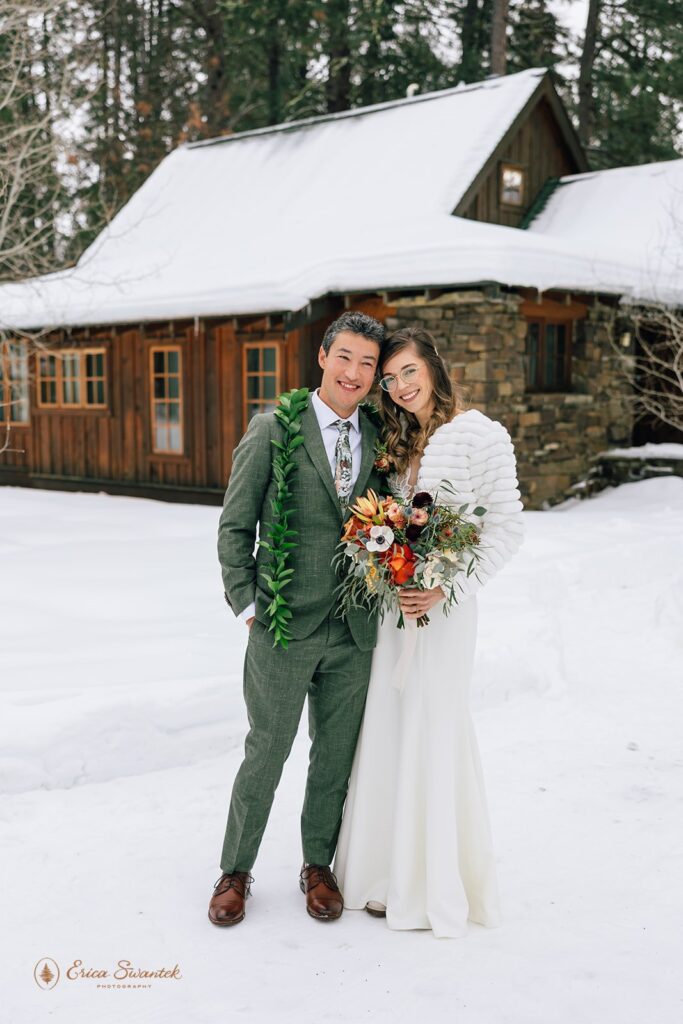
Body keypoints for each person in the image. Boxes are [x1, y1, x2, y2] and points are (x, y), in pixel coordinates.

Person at [334, 325, 524, 939]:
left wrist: (448, 586)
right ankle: (387, 876)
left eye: (408, 371)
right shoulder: (397, 442)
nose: (399, 386)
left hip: (444, 612)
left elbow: (506, 528)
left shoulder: (480, 434)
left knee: (434, 726)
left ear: (435, 368)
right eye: (389, 380)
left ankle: (431, 883)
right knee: (391, 726)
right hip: (397, 611)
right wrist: (383, 565)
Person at [209, 310, 385, 927]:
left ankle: (318, 866)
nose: (355, 373)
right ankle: (235, 870)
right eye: (346, 357)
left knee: (334, 756)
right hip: (282, 625)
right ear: (322, 357)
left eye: (368, 363)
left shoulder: (381, 437)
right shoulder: (273, 430)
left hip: (355, 628)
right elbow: (235, 525)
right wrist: (250, 604)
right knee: (267, 752)